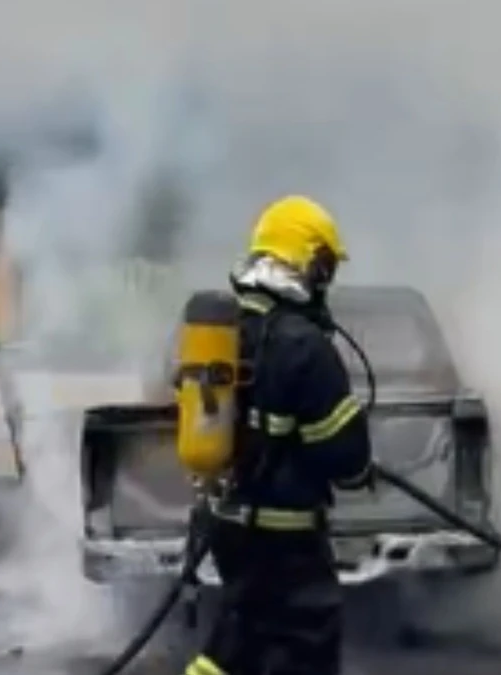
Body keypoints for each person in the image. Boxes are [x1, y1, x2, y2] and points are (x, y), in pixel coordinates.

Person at [183, 195, 375, 675]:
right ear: (308, 263)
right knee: (305, 646)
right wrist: (360, 465)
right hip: (287, 544)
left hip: (228, 529)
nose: (328, 280)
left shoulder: (228, 331)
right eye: (326, 267)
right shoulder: (305, 347)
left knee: (241, 639)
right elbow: (346, 459)